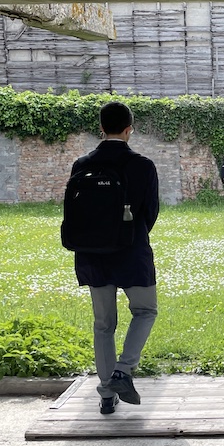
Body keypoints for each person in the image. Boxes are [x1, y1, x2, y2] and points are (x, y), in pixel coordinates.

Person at [69, 101, 160, 415]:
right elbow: (150, 214)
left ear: (101, 129)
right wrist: (130, 236)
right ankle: (123, 370)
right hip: (132, 253)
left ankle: (107, 394)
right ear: (129, 129)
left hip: (92, 255)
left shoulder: (81, 164)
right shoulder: (143, 165)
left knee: (104, 324)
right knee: (146, 310)